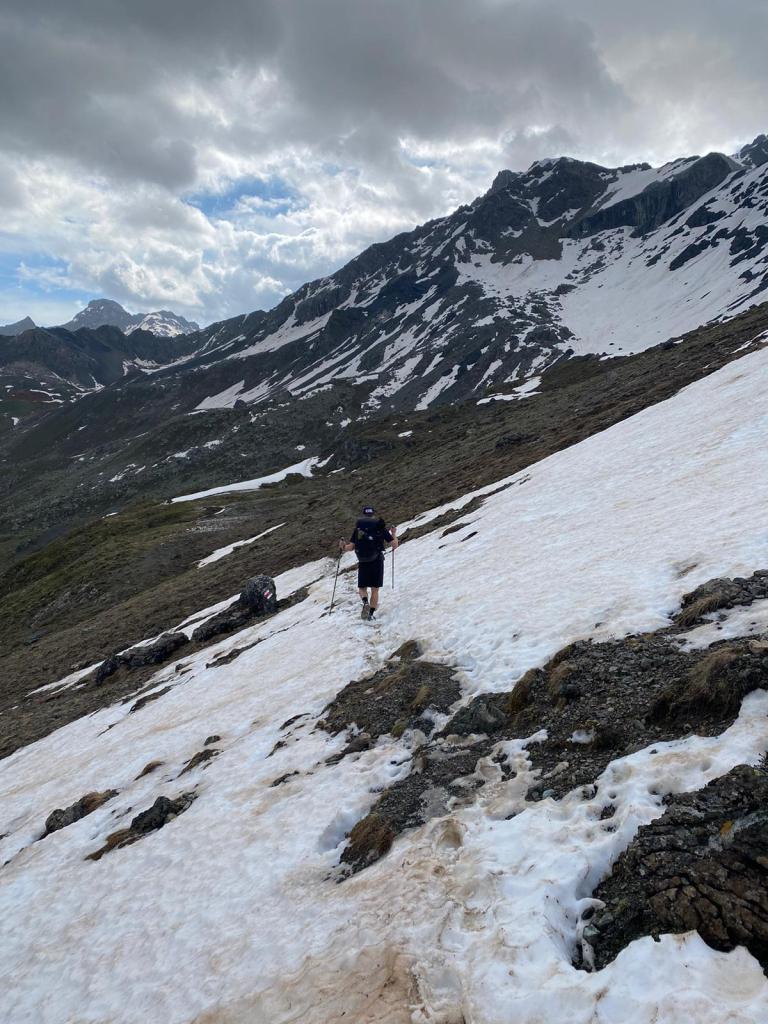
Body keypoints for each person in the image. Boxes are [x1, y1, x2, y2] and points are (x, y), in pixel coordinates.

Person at [339, 505, 398, 620]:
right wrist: (393, 533)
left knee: (362, 588)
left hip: (363, 561)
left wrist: (343, 546)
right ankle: (370, 614)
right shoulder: (380, 527)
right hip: (377, 561)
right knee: (375, 590)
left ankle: (365, 602)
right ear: (373, 514)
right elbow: (394, 545)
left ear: (364, 514)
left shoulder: (358, 529)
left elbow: (350, 547)